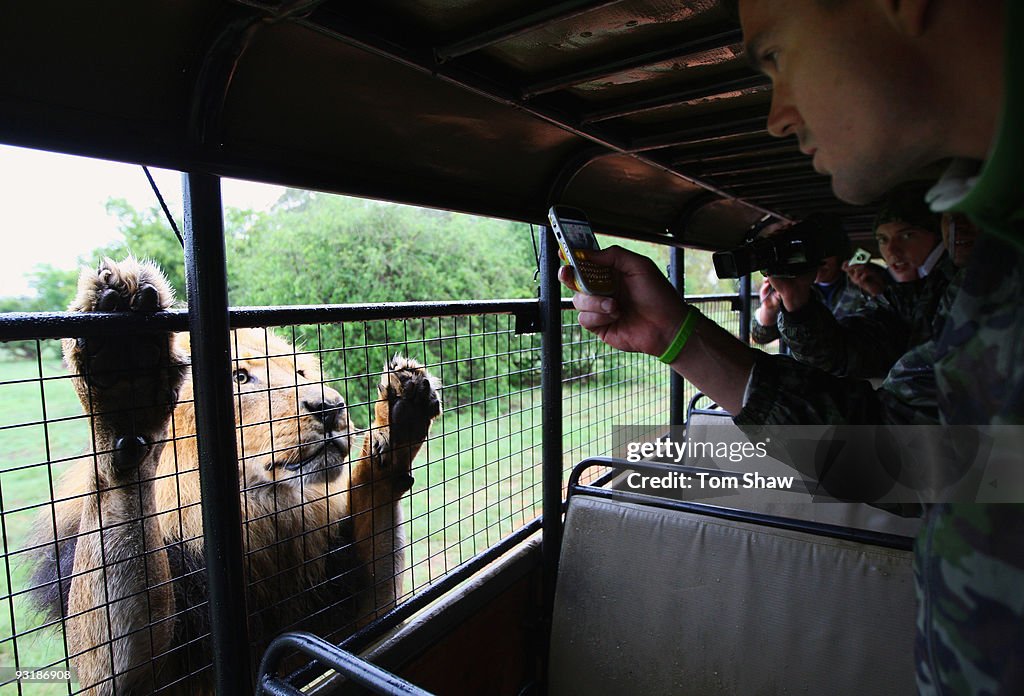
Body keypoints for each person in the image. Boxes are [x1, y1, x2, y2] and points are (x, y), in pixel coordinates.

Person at [560, 1, 1022, 693]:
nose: (777, 115)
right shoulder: (1004, 266)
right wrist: (675, 337)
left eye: (775, 56)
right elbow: (905, 459)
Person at [776, 187, 956, 379]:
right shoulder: (901, 296)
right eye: (883, 239)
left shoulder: (958, 281)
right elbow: (841, 354)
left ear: (940, 233)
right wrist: (795, 299)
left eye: (907, 235)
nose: (892, 251)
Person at [750, 216, 870, 345]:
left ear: (840, 254)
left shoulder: (864, 280)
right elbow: (761, 337)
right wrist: (769, 308)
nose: (817, 263)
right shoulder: (790, 287)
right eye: (810, 253)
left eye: (824, 254)